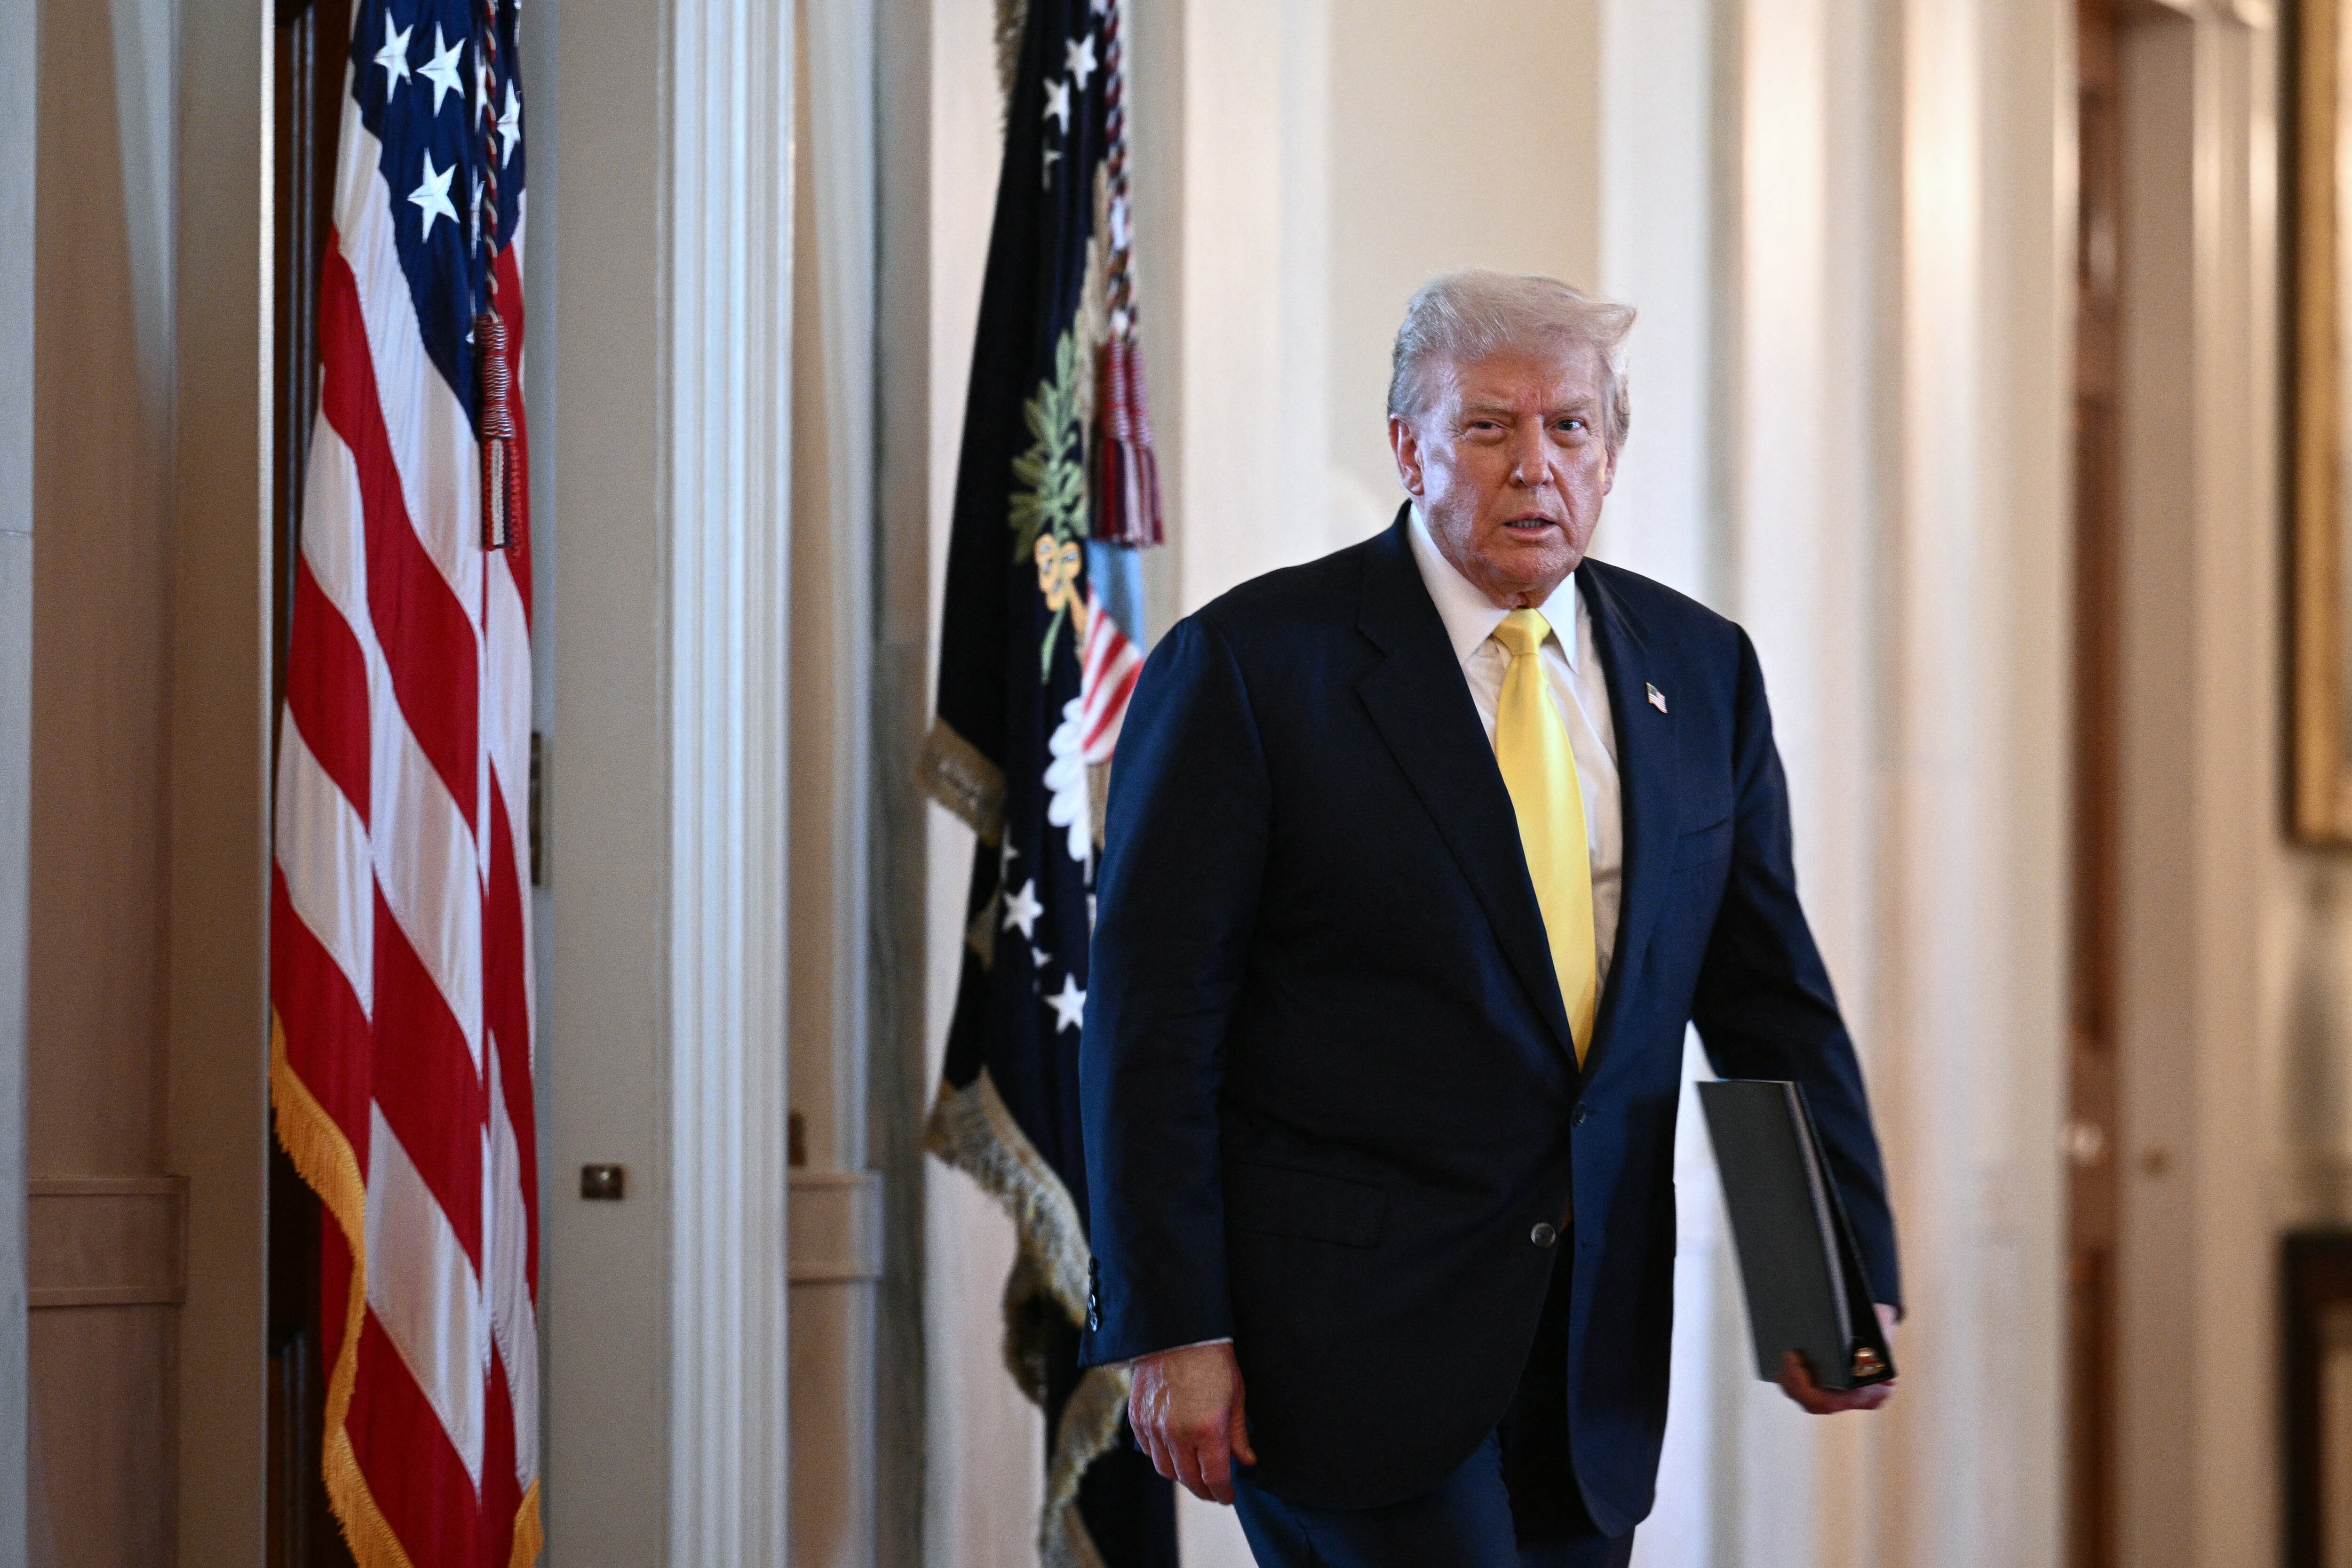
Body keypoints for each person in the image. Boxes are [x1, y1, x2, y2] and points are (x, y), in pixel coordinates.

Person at [1076, 270, 1900, 1567]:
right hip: (1339, 1342)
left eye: (1570, 428)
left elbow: (1764, 994)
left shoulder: (1701, 671)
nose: (1536, 467)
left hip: (1589, 1358)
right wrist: (1170, 1320)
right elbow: (1153, 1022)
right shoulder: (1251, 667)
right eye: (1487, 428)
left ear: (1613, 454)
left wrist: (1826, 1278)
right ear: (1408, 447)